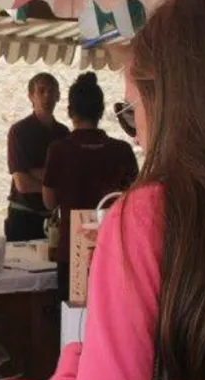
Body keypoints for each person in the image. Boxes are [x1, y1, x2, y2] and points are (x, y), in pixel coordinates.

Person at [41, 0, 205, 380]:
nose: (139, 139)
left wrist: (70, 369)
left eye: (133, 114)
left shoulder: (147, 218)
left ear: (167, 104)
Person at [41, 72, 139, 300]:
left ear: (70, 111)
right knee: (109, 319)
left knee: (74, 322)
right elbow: (136, 200)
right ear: (100, 111)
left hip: (72, 250)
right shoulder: (121, 150)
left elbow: (48, 201)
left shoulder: (59, 149)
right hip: (113, 250)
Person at [4, 73, 69, 241]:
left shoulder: (64, 134)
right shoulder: (19, 131)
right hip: (24, 218)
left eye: (51, 91)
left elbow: (69, 176)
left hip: (54, 219)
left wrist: (35, 173)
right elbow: (23, 184)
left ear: (58, 96)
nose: (47, 95)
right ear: (31, 96)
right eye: (41, 91)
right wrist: (55, 182)